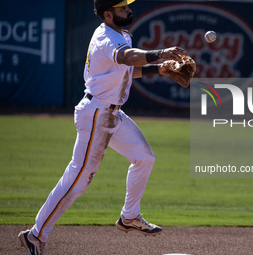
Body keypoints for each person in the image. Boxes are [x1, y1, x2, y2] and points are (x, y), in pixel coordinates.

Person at [18, 0, 189, 254]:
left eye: (127, 6)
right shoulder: (106, 37)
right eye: (122, 9)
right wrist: (160, 52)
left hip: (112, 114)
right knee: (78, 179)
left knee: (144, 157)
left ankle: (129, 217)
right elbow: (127, 57)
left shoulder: (121, 34)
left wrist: (160, 70)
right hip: (96, 114)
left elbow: (127, 70)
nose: (129, 11)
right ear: (108, 14)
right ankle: (35, 235)